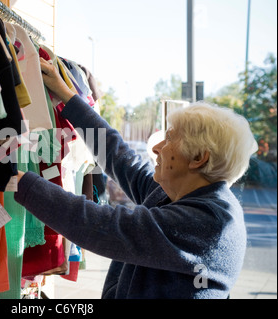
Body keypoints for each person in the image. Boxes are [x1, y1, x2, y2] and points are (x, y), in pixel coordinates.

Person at [13, 57, 258, 299]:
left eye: (170, 139)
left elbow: (103, 225)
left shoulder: (211, 222)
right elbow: (120, 157)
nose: (156, 148)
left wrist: (19, 180)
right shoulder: (176, 194)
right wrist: (68, 97)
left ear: (198, 158)